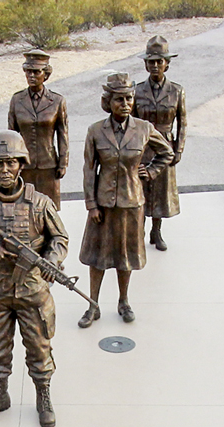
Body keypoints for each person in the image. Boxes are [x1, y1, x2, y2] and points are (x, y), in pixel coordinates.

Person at [0, 131, 69, 427]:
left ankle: (43, 396)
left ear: (21, 164)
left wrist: (53, 262)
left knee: (39, 346)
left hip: (32, 288)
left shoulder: (40, 203)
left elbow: (59, 238)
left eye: (10, 163)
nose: (4, 170)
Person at [78, 72, 174, 327]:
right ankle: (93, 304)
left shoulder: (143, 129)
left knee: (125, 256)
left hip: (132, 203)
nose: (125, 104)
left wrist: (151, 170)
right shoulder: (96, 131)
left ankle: (123, 301)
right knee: (97, 257)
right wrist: (91, 204)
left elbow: (167, 153)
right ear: (108, 101)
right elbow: (89, 170)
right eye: (119, 99)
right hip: (104, 205)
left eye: (129, 98)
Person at [134, 36, 186, 252]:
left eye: (159, 61)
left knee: (161, 193)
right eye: (151, 62)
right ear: (145, 64)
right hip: (143, 147)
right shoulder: (136, 91)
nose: (155, 66)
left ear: (167, 63)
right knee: (141, 191)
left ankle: (157, 230)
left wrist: (179, 149)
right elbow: (132, 123)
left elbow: (182, 122)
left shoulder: (176, 91)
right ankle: (139, 232)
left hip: (165, 147)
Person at [7, 49, 69, 210]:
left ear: (46, 75)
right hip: (24, 165)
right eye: (28, 72)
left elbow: (63, 134)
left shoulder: (57, 101)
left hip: (48, 165)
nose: (31, 76)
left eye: (36, 72)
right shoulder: (17, 100)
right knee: (24, 207)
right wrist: (11, 163)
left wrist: (63, 163)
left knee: (49, 209)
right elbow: (11, 135)